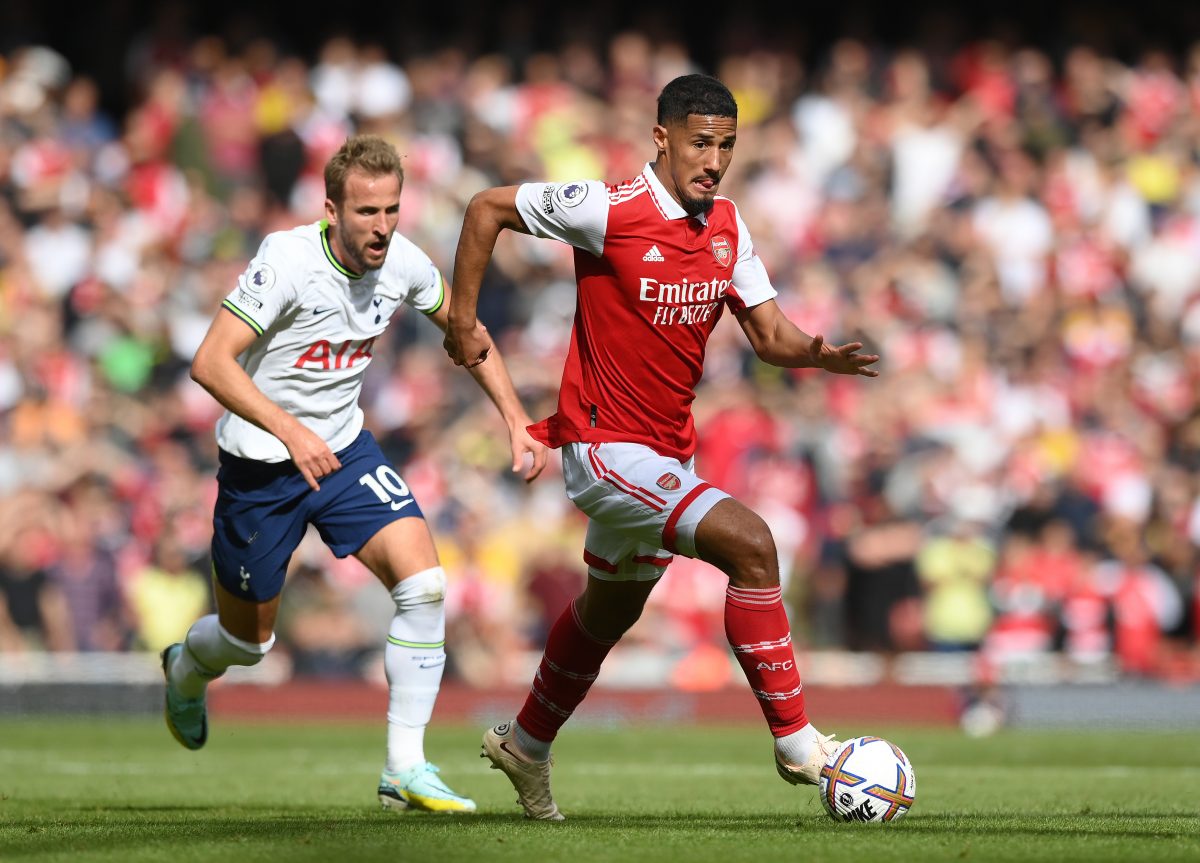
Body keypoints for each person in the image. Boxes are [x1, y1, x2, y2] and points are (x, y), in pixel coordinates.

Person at [443, 74, 879, 820]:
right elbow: (486, 208)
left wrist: (817, 352)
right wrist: (462, 319)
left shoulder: (730, 228)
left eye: (727, 146)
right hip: (604, 447)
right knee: (752, 543)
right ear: (663, 139)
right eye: (701, 142)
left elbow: (769, 336)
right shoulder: (608, 209)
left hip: (663, 453)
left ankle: (526, 744)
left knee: (611, 609)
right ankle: (800, 745)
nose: (714, 160)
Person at [162, 134, 547, 814]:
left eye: (392, 210)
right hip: (261, 468)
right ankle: (187, 669)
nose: (382, 227)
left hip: (342, 454)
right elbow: (210, 362)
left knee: (425, 584)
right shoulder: (287, 259)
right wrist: (289, 429)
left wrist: (516, 419)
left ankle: (405, 766)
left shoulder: (404, 262)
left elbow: (467, 331)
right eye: (367, 212)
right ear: (332, 209)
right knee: (248, 643)